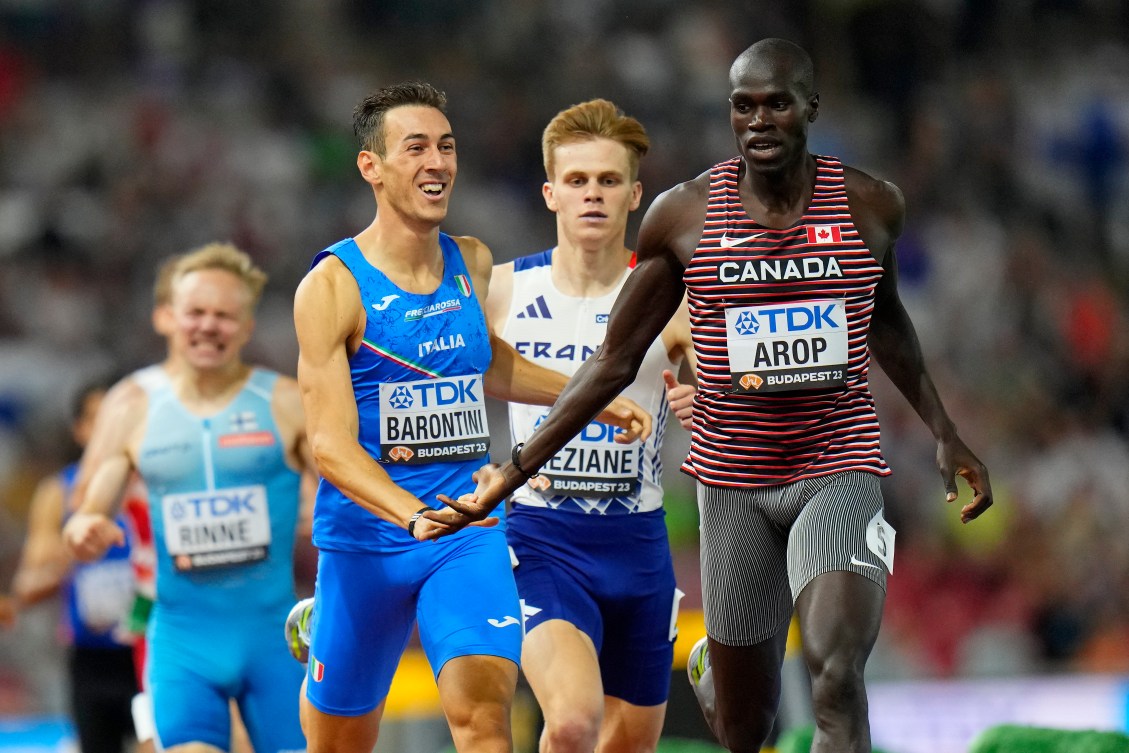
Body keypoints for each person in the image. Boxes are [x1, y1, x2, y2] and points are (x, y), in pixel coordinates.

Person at [431, 39, 994, 753]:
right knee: (742, 727)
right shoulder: (684, 215)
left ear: (810, 109)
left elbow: (882, 317)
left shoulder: (869, 204)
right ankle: (715, 683)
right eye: (742, 106)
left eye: (776, 104)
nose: (758, 121)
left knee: (834, 674)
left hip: (836, 465)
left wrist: (942, 427)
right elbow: (611, 362)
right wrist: (510, 473)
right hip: (732, 484)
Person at [290, 81, 650, 753]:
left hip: (467, 530)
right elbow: (330, 446)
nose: (437, 162)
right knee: (335, 743)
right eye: (416, 147)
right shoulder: (332, 286)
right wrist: (408, 514)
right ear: (371, 167)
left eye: (446, 147)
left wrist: (586, 393)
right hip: (366, 543)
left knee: (484, 717)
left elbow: (484, 364)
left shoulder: (472, 261)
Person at [483, 98, 695, 753]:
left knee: (627, 742)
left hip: (638, 544)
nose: (592, 195)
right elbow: (442, 379)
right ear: (550, 192)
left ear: (635, 195)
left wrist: (710, 406)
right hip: (542, 537)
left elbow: (734, 394)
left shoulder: (675, 295)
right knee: (572, 721)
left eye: (607, 181)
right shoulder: (501, 291)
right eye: (576, 181)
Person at [63, 242, 314, 753]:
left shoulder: (284, 401)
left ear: (246, 327)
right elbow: (91, 504)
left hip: (272, 636)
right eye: (196, 312)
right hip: (181, 638)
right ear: (167, 319)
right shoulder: (131, 405)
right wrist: (86, 527)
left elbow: (342, 485)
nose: (208, 326)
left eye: (225, 315)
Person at [1, 379, 144, 753]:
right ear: (80, 430)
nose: (111, 430)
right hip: (92, 662)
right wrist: (73, 552)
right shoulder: (58, 493)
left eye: (122, 418)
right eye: (98, 420)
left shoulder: (160, 482)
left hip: (155, 651)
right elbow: (28, 586)